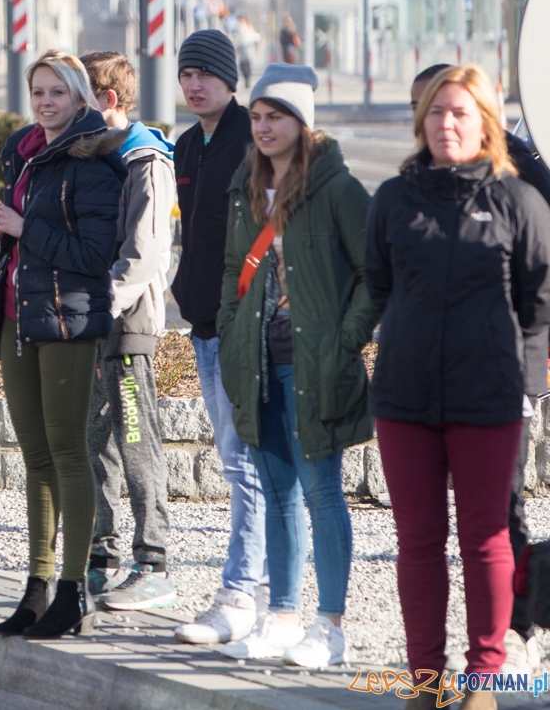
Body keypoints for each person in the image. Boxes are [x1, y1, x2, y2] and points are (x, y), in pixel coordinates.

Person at [368, 65, 550, 703]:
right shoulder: (394, 198)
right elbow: (380, 286)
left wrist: (518, 378)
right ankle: (425, 680)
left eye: (461, 113)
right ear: (422, 121)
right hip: (405, 398)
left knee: (486, 540)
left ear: (486, 124)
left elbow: (538, 304)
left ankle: (482, 681)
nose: (447, 123)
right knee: (418, 544)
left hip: (488, 398)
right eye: (437, 112)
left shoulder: (518, 202)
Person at [213, 64, 374, 668]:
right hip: (257, 362)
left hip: (314, 365)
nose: (262, 127)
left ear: (303, 122)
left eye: (275, 116)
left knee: (322, 493)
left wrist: (345, 339)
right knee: (276, 492)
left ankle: (330, 627)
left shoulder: (337, 188)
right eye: (256, 116)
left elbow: (375, 274)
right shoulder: (246, 185)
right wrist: (231, 331)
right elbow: (233, 268)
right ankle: (281, 616)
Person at [0, 50, 126, 640]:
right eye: (38, 92)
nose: (45, 102)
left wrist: (25, 228)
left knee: (68, 453)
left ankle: (73, 591)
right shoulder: (27, 156)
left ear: (81, 98)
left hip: (69, 322)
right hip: (19, 318)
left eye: (57, 92)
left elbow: (94, 256)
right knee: (35, 457)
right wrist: (1, 229)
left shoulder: (93, 161)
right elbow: (24, 246)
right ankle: (36, 590)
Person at [168, 28, 270, 647]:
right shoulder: (186, 146)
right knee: (238, 462)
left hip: (244, 329)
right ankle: (263, 592)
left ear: (230, 79)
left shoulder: (251, 140)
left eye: (205, 73)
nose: (195, 84)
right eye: (187, 74)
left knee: (247, 463)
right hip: (202, 326)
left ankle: (241, 594)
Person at [78, 52, 177, 611]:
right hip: (92, 318)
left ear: (107, 100)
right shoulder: (93, 153)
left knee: (137, 443)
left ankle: (153, 563)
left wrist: (103, 307)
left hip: (126, 321)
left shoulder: (145, 159)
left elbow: (144, 253)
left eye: (78, 96)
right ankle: (103, 557)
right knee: (95, 443)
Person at [234, 15, 263, 88]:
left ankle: (247, 79)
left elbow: (250, 38)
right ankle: (247, 79)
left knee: (245, 65)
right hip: (243, 50)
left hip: (246, 49)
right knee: (244, 65)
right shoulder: (240, 27)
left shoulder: (247, 27)